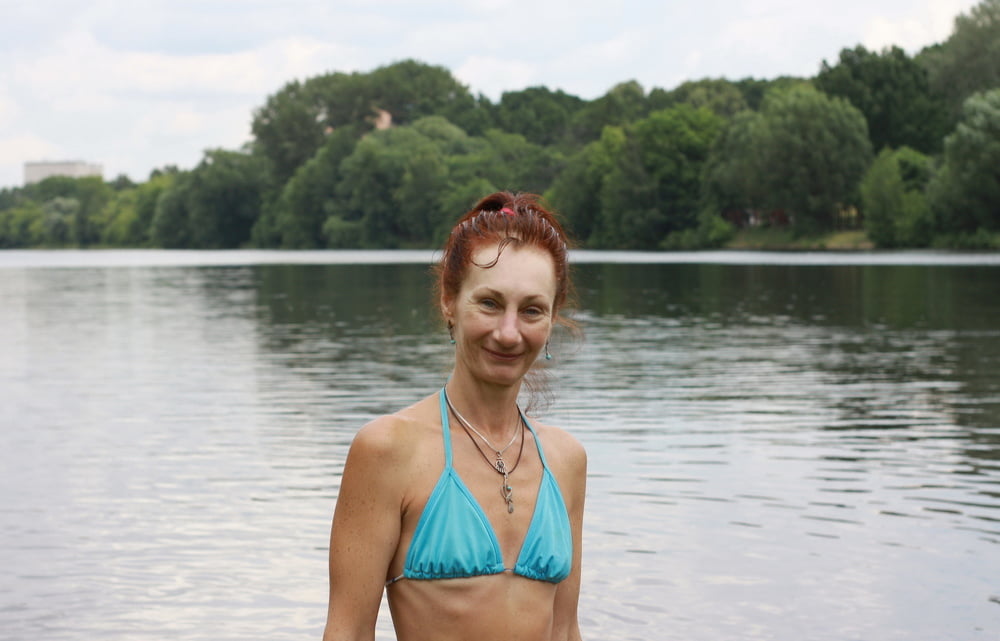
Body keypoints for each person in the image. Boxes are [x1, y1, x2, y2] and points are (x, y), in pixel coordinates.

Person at [322, 192, 587, 641]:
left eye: (531, 310)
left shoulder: (565, 460)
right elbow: (346, 632)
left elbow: (564, 630)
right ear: (449, 301)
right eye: (489, 303)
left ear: (552, 318)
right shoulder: (389, 450)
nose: (508, 332)